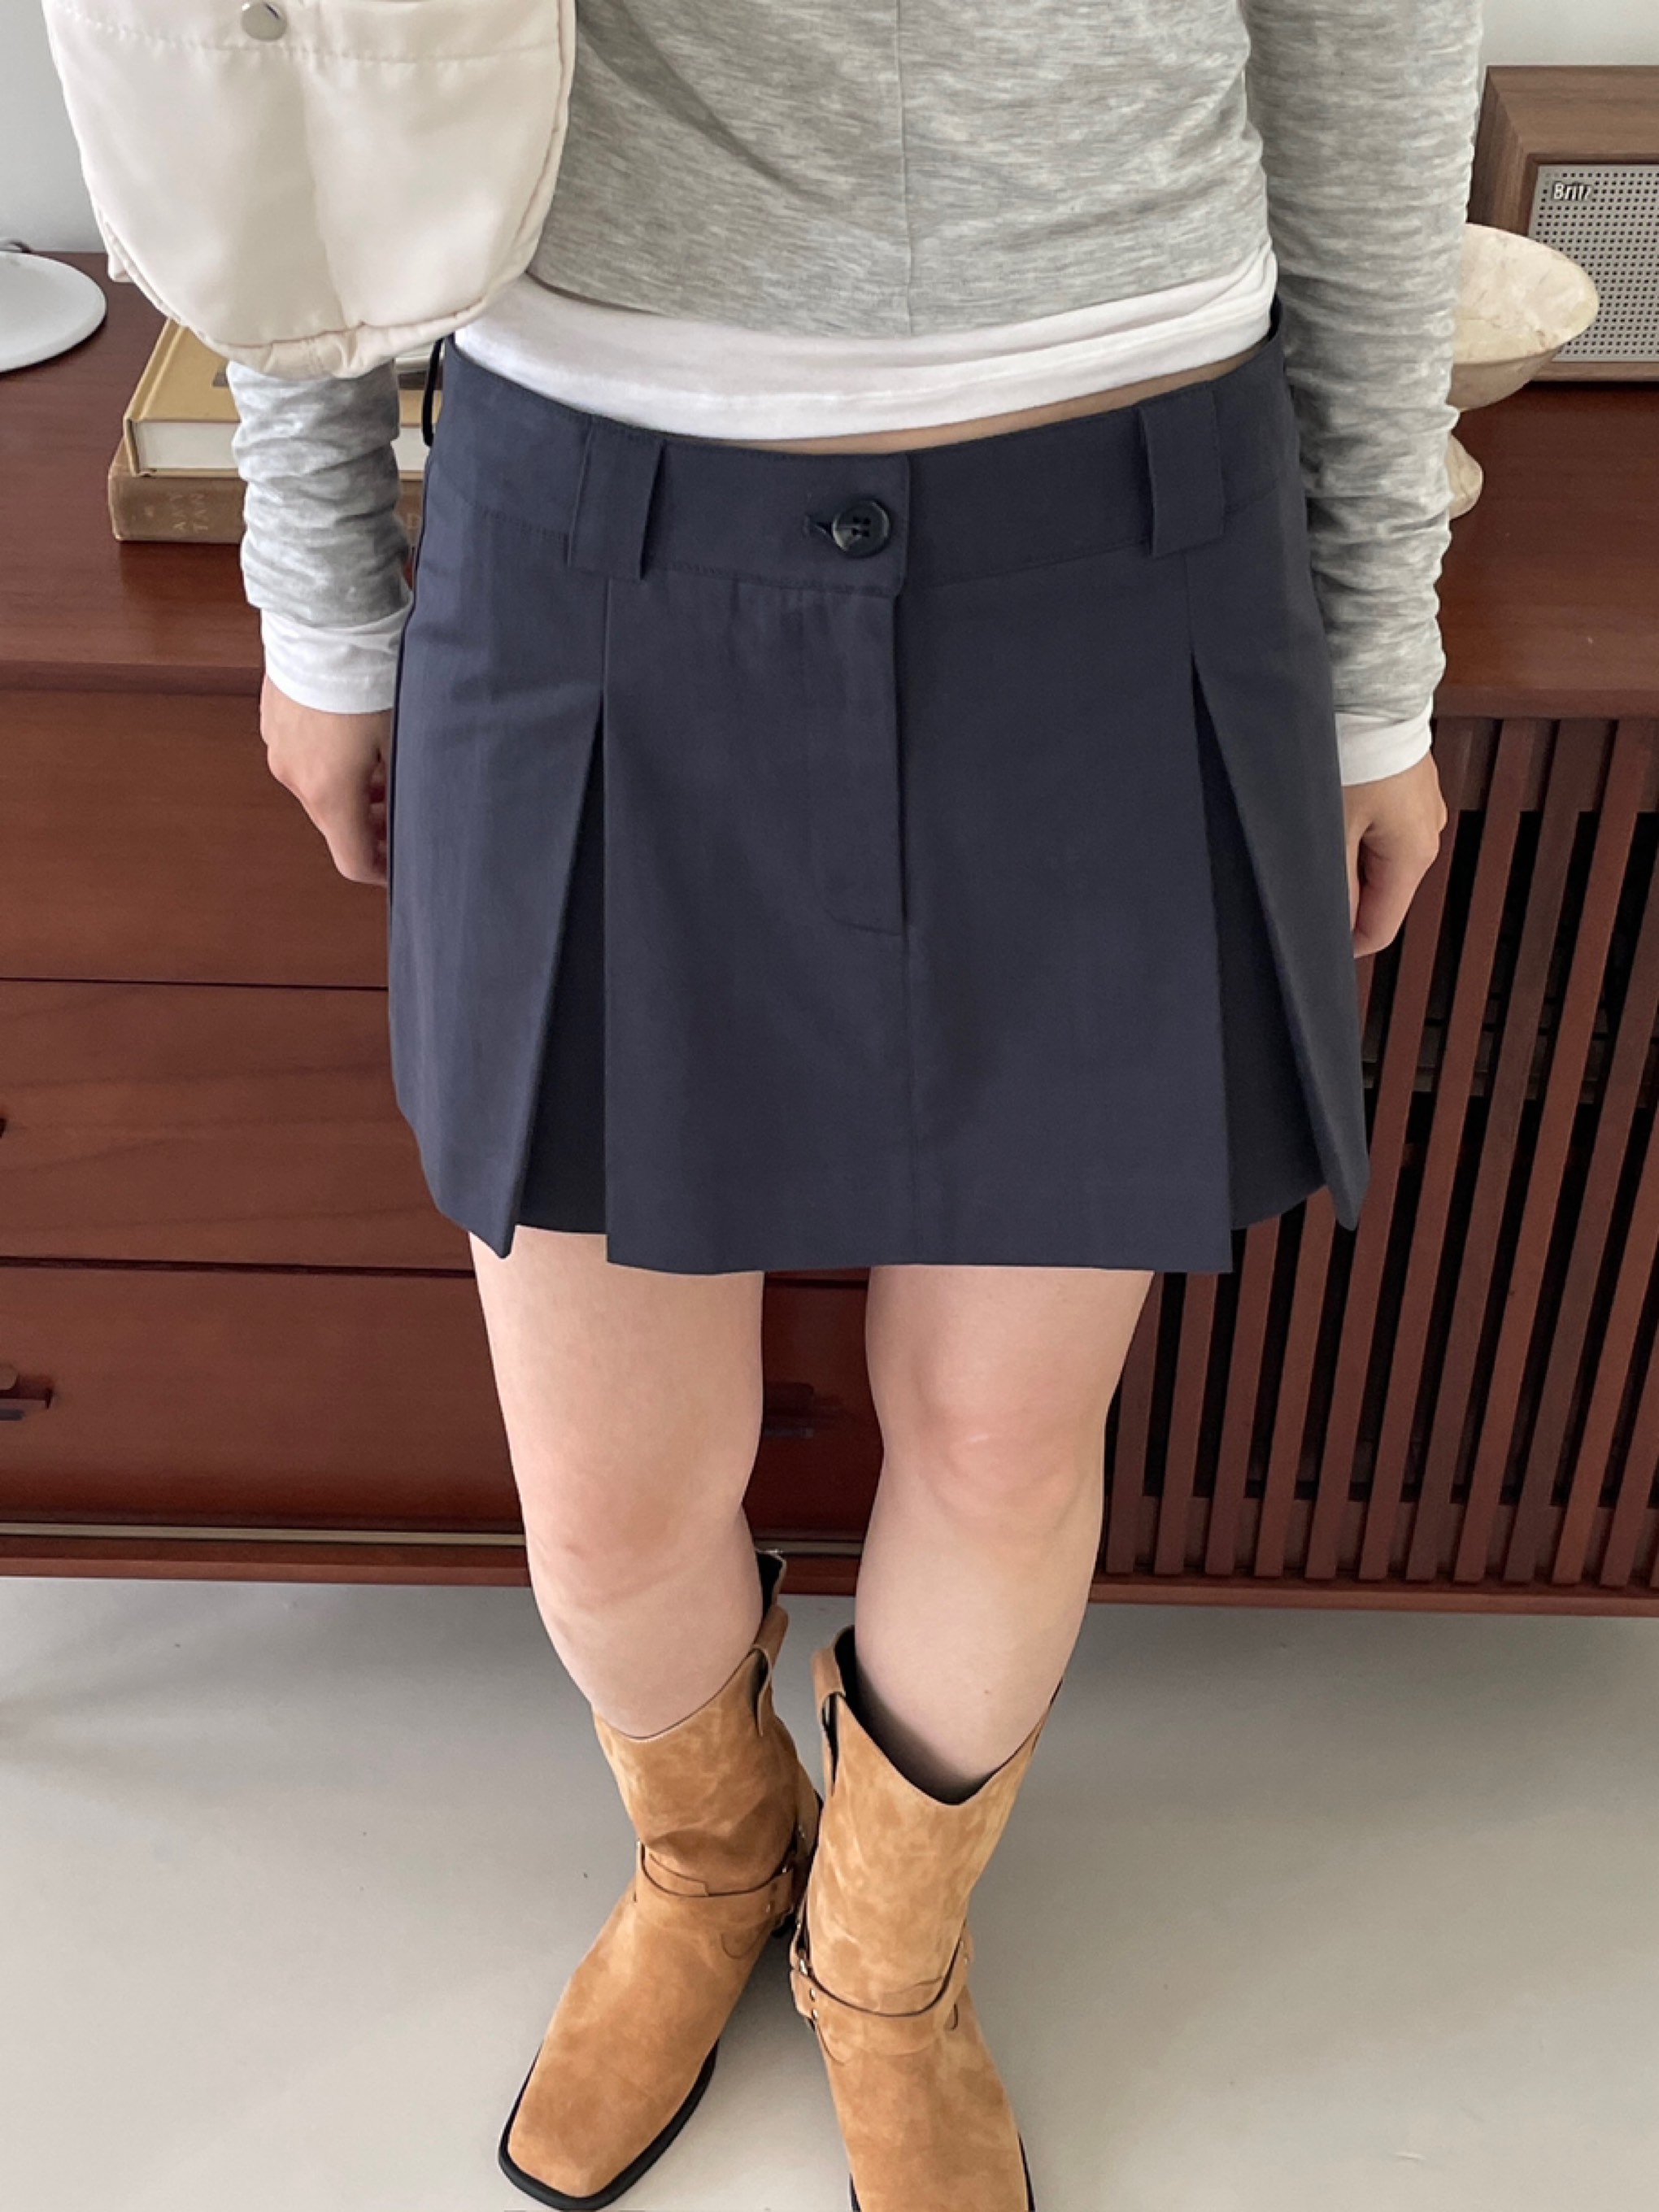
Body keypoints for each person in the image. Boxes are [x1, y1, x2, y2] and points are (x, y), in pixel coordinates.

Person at [224, 4, 1477, 2205]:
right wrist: (318, 585)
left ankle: (887, 1962)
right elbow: (270, 40)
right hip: (587, 511)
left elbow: (1373, 56)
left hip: (1129, 526)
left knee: (1005, 1437)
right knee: (606, 1492)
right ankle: (716, 1868)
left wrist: (1381, 658)